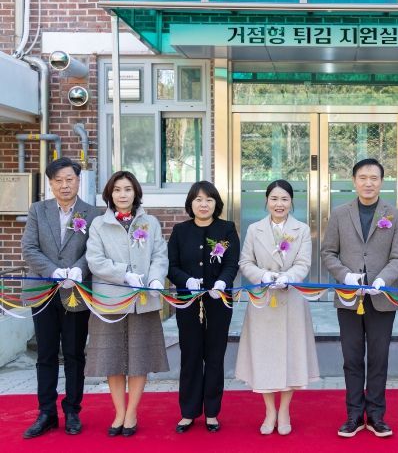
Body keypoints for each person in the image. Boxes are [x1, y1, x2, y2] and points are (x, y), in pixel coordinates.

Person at [321, 158, 398, 438]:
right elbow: (328, 252)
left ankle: (377, 416)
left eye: (374, 178)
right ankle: (354, 415)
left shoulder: (394, 215)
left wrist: (383, 280)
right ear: (354, 181)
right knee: (352, 358)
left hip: (383, 299)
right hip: (349, 297)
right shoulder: (339, 214)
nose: (368, 183)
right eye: (363, 177)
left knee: (379, 359)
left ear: (382, 182)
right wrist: (345, 275)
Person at [85, 171, 169, 437]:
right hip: (110, 301)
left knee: (139, 358)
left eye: (128, 189)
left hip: (143, 300)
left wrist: (155, 279)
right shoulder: (99, 224)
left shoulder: (150, 222)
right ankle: (119, 412)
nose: (123, 194)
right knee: (112, 358)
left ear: (136, 193)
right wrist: (123, 274)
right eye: (117, 190)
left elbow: (159, 255)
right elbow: (95, 260)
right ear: (110, 194)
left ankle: (132, 412)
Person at [20, 157, 100, 439]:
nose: (64, 185)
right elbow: (29, 248)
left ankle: (73, 411)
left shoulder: (92, 213)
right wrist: (54, 271)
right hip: (43, 290)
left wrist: (78, 270)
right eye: (58, 181)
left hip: (76, 292)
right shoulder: (37, 210)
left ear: (78, 181)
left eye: (69, 179)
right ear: (51, 184)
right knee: (46, 354)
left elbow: (94, 251)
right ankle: (46, 412)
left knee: (75, 354)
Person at [235, 179, 319, 436]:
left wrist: (287, 277)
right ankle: (270, 410)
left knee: (291, 356)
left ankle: (284, 410)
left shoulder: (301, 229)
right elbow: (245, 261)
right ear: (266, 201)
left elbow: (304, 263)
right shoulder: (254, 230)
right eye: (274, 199)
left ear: (291, 202)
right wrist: (263, 276)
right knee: (265, 357)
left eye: (284, 199)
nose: (279, 204)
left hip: (291, 299)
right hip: (263, 301)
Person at [167, 181, 240, 433]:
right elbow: (171, 265)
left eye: (209, 199)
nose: (203, 204)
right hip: (188, 303)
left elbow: (231, 263)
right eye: (198, 199)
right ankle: (188, 412)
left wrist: (222, 282)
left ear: (216, 203)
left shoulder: (226, 229)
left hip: (218, 302)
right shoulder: (180, 231)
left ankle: (212, 412)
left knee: (215, 356)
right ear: (191, 203)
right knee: (190, 356)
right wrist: (185, 280)